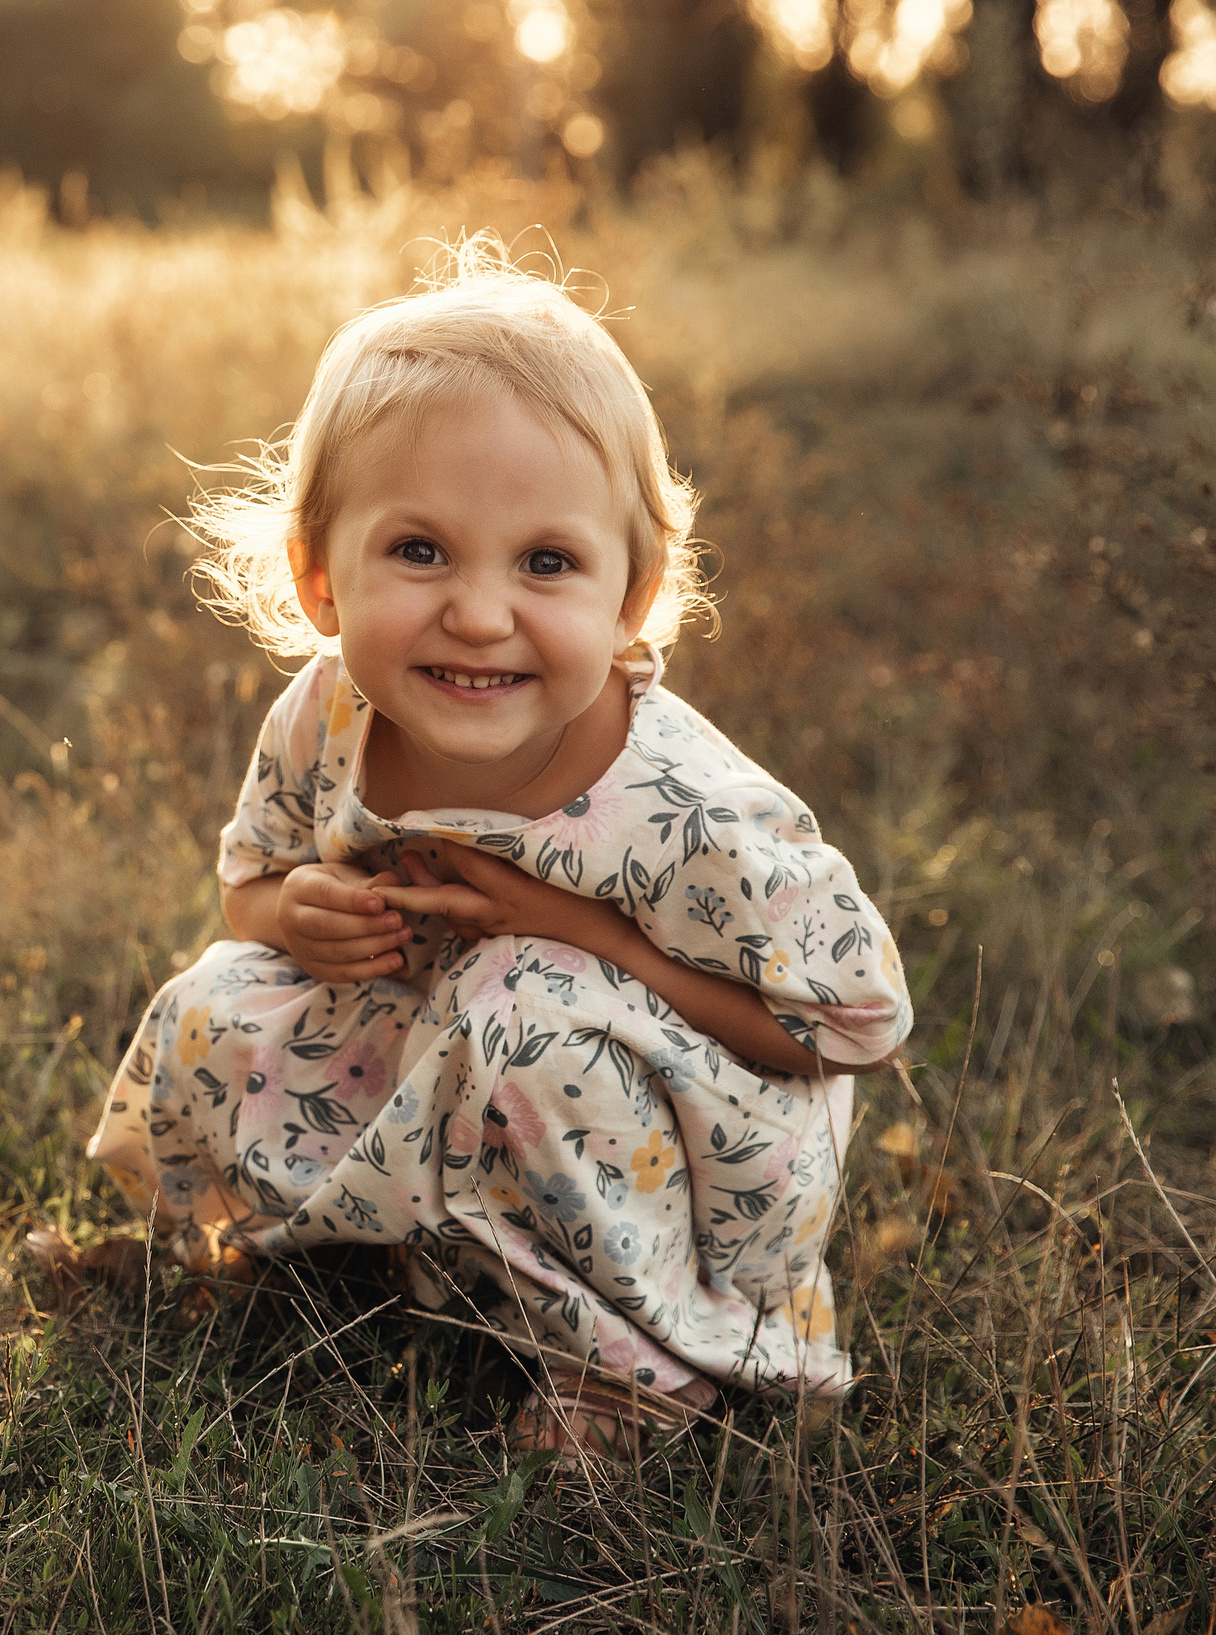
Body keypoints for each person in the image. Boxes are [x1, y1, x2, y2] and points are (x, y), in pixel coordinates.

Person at [86, 241, 912, 1457]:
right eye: (418, 551)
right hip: (455, 1064)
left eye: (546, 562)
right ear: (319, 577)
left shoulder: (684, 803)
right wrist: (289, 910)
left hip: (700, 1149)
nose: (478, 613)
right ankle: (310, 1252)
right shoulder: (331, 710)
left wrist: (585, 933)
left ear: (630, 595)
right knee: (220, 999)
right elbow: (244, 880)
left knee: (522, 999)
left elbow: (851, 1027)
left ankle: (639, 1374)